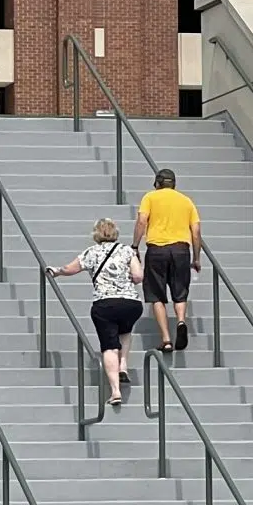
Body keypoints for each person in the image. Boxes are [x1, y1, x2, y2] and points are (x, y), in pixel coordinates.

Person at [48, 218, 143, 409]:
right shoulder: (127, 250)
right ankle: (123, 365)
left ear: (96, 234)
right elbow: (139, 276)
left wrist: (56, 271)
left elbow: (70, 269)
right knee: (125, 331)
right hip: (131, 303)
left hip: (105, 304)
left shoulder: (91, 252)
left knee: (109, 346)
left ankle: (115, 391)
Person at [134, 167, 202, 356]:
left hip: (157, 249)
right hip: (181, 250)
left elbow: (142, 221)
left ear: (157, 183)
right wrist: (196, 257)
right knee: (180, 292)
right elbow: (196, 232)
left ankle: (166, 340)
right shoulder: (186, 201)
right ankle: (181, 321)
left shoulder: (150, 197)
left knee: (156, 295)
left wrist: (134, 245)